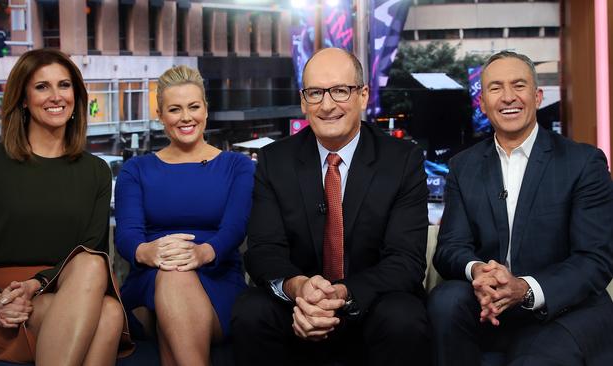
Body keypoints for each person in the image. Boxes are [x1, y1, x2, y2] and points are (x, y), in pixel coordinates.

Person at [231, 47, 430, 366]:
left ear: (363, 95)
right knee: (250, 311)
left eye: (340, 91)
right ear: (302, 100)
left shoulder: (402, 160)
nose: (326, 105)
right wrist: (299, 288)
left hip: (371, 305)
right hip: (299, 308)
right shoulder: (274, 161)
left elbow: (405, 260)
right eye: (315, 93)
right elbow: (263, 250)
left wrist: (342, 294)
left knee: (404, 317)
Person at [429, 50, 613, 366]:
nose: (508, 97)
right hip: (488, 303)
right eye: (495, 88)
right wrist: (480, 272)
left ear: (538, 96)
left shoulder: (583, 162)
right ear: (483, 103)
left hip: (564, 308)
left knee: (535, 357)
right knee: (445, 302)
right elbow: (450, 248)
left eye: (519, 85)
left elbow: (595, 259)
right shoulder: (463, 166)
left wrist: (525, 288)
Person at [0, 48, 133, 364]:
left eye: (64, 85)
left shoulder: (96, 170)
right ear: (23, 98)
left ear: (76, 96)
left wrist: (37, 283)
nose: (56, 96)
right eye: (42, 86)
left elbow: (93, 251)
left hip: (67, 288)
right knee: (107, 314)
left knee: (93, 267)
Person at [115, 65, 254, 366]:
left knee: (175, 278)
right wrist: (148, 251)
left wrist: (203, 252)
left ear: (206, 108)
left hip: (217, 278)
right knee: (172, 274)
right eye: (175, 109)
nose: (186, 117)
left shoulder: (238, 166)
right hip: (148, 282)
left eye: (194, 106)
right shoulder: (135, 170)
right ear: (160, 115)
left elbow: (236, 227)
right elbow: (126, 234)